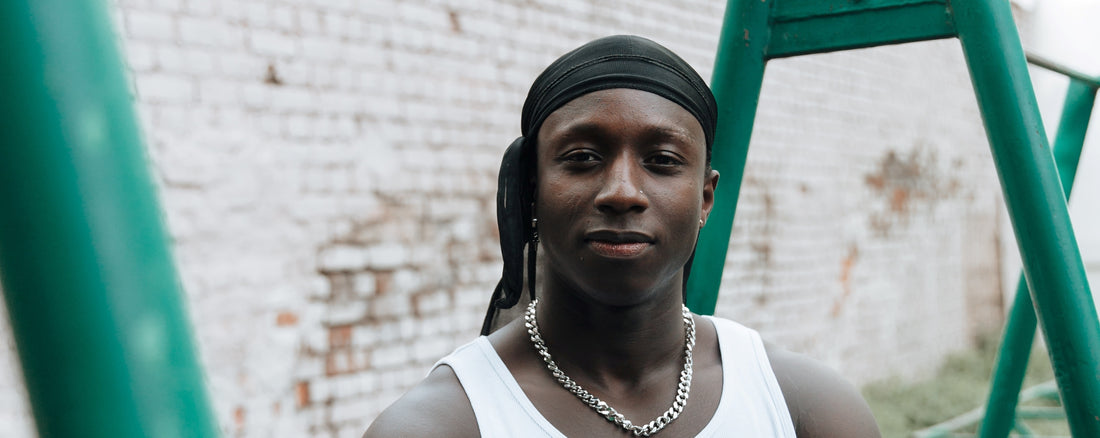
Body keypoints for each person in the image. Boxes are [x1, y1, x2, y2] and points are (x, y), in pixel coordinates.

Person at [365, 35, 881, 437]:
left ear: (705, 198)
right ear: (532, 191)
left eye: (662, 161)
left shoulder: (803, 410)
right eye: (583, 158)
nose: (622, 192)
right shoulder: (445, 424)